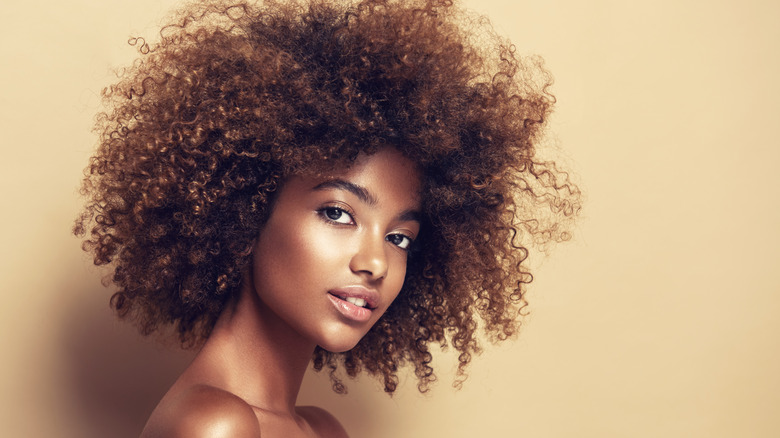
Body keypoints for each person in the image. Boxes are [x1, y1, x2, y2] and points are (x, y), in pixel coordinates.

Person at [74, 0, 579, 436]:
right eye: (338, 213)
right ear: (245, 210)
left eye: (401, 238)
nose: (376, 262)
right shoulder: (213, 425)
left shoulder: (322, 429)